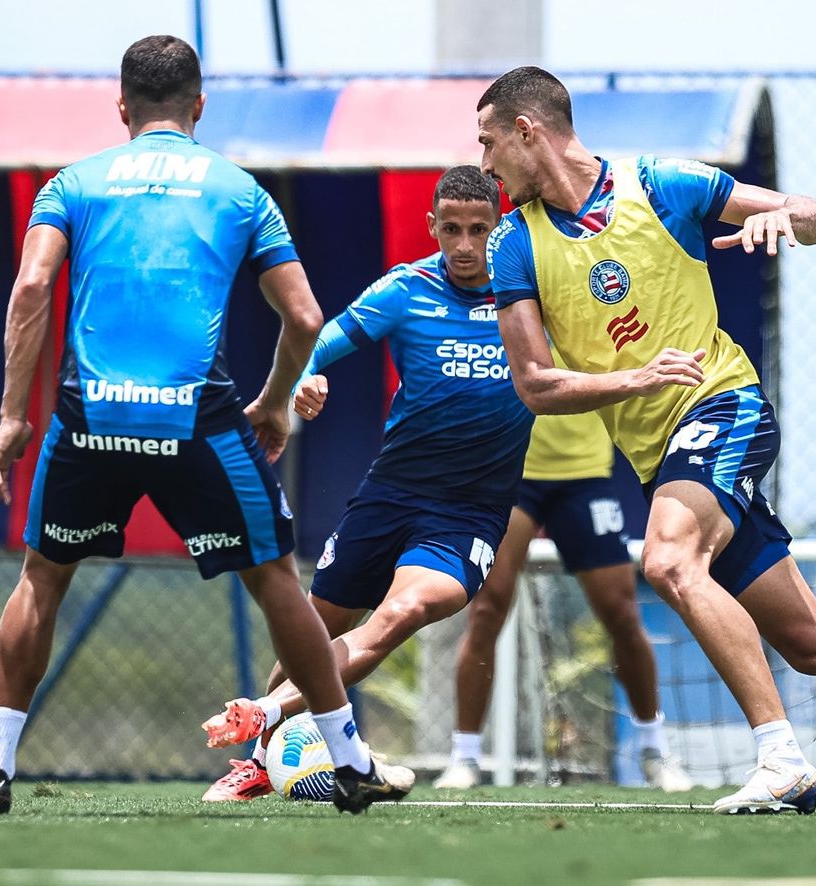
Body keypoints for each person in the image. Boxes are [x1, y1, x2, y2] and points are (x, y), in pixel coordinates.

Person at [475, 66, 816, 814]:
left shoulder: (660, 184)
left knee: (667, 557)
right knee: (814, 645)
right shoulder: (513, 243)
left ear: (528, 131)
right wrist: (636, 380)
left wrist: (781, 217)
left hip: (725, 407)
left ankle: (781, 760)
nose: (485, 161)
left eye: (489, 141)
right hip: (662, 455)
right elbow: (536, 384)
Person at [0, 35, 411, 816]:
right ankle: (349, 758)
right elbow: (302, 314)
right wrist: (271, 404)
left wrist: (9, 417)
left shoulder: (73, 182)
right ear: (200, 107)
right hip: (194, 419)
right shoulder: (238, 190)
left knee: (43, 575)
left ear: (122, 107)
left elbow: (31, 287)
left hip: (87, 415)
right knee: (274, 580)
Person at [198, 165, 692, 801]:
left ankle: (265, 719)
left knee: (405, 610)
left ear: (501, 227)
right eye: (450, 229)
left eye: (479, 230)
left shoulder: (532, 299)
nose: (464, 245)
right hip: (388, 495)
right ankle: (264, 762)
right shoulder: (407, 289)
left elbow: (611, 331)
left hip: (470, 512)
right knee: (311, 632)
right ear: (431, 227)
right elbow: (321, 340)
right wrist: (303, 379)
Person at [434, 398, 691, 791]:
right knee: (487, 610)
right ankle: (465, 757)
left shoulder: (587, 332)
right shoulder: (499, 331)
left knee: (621, 614)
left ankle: (654, 752)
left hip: (584, 475)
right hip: (511, 473)